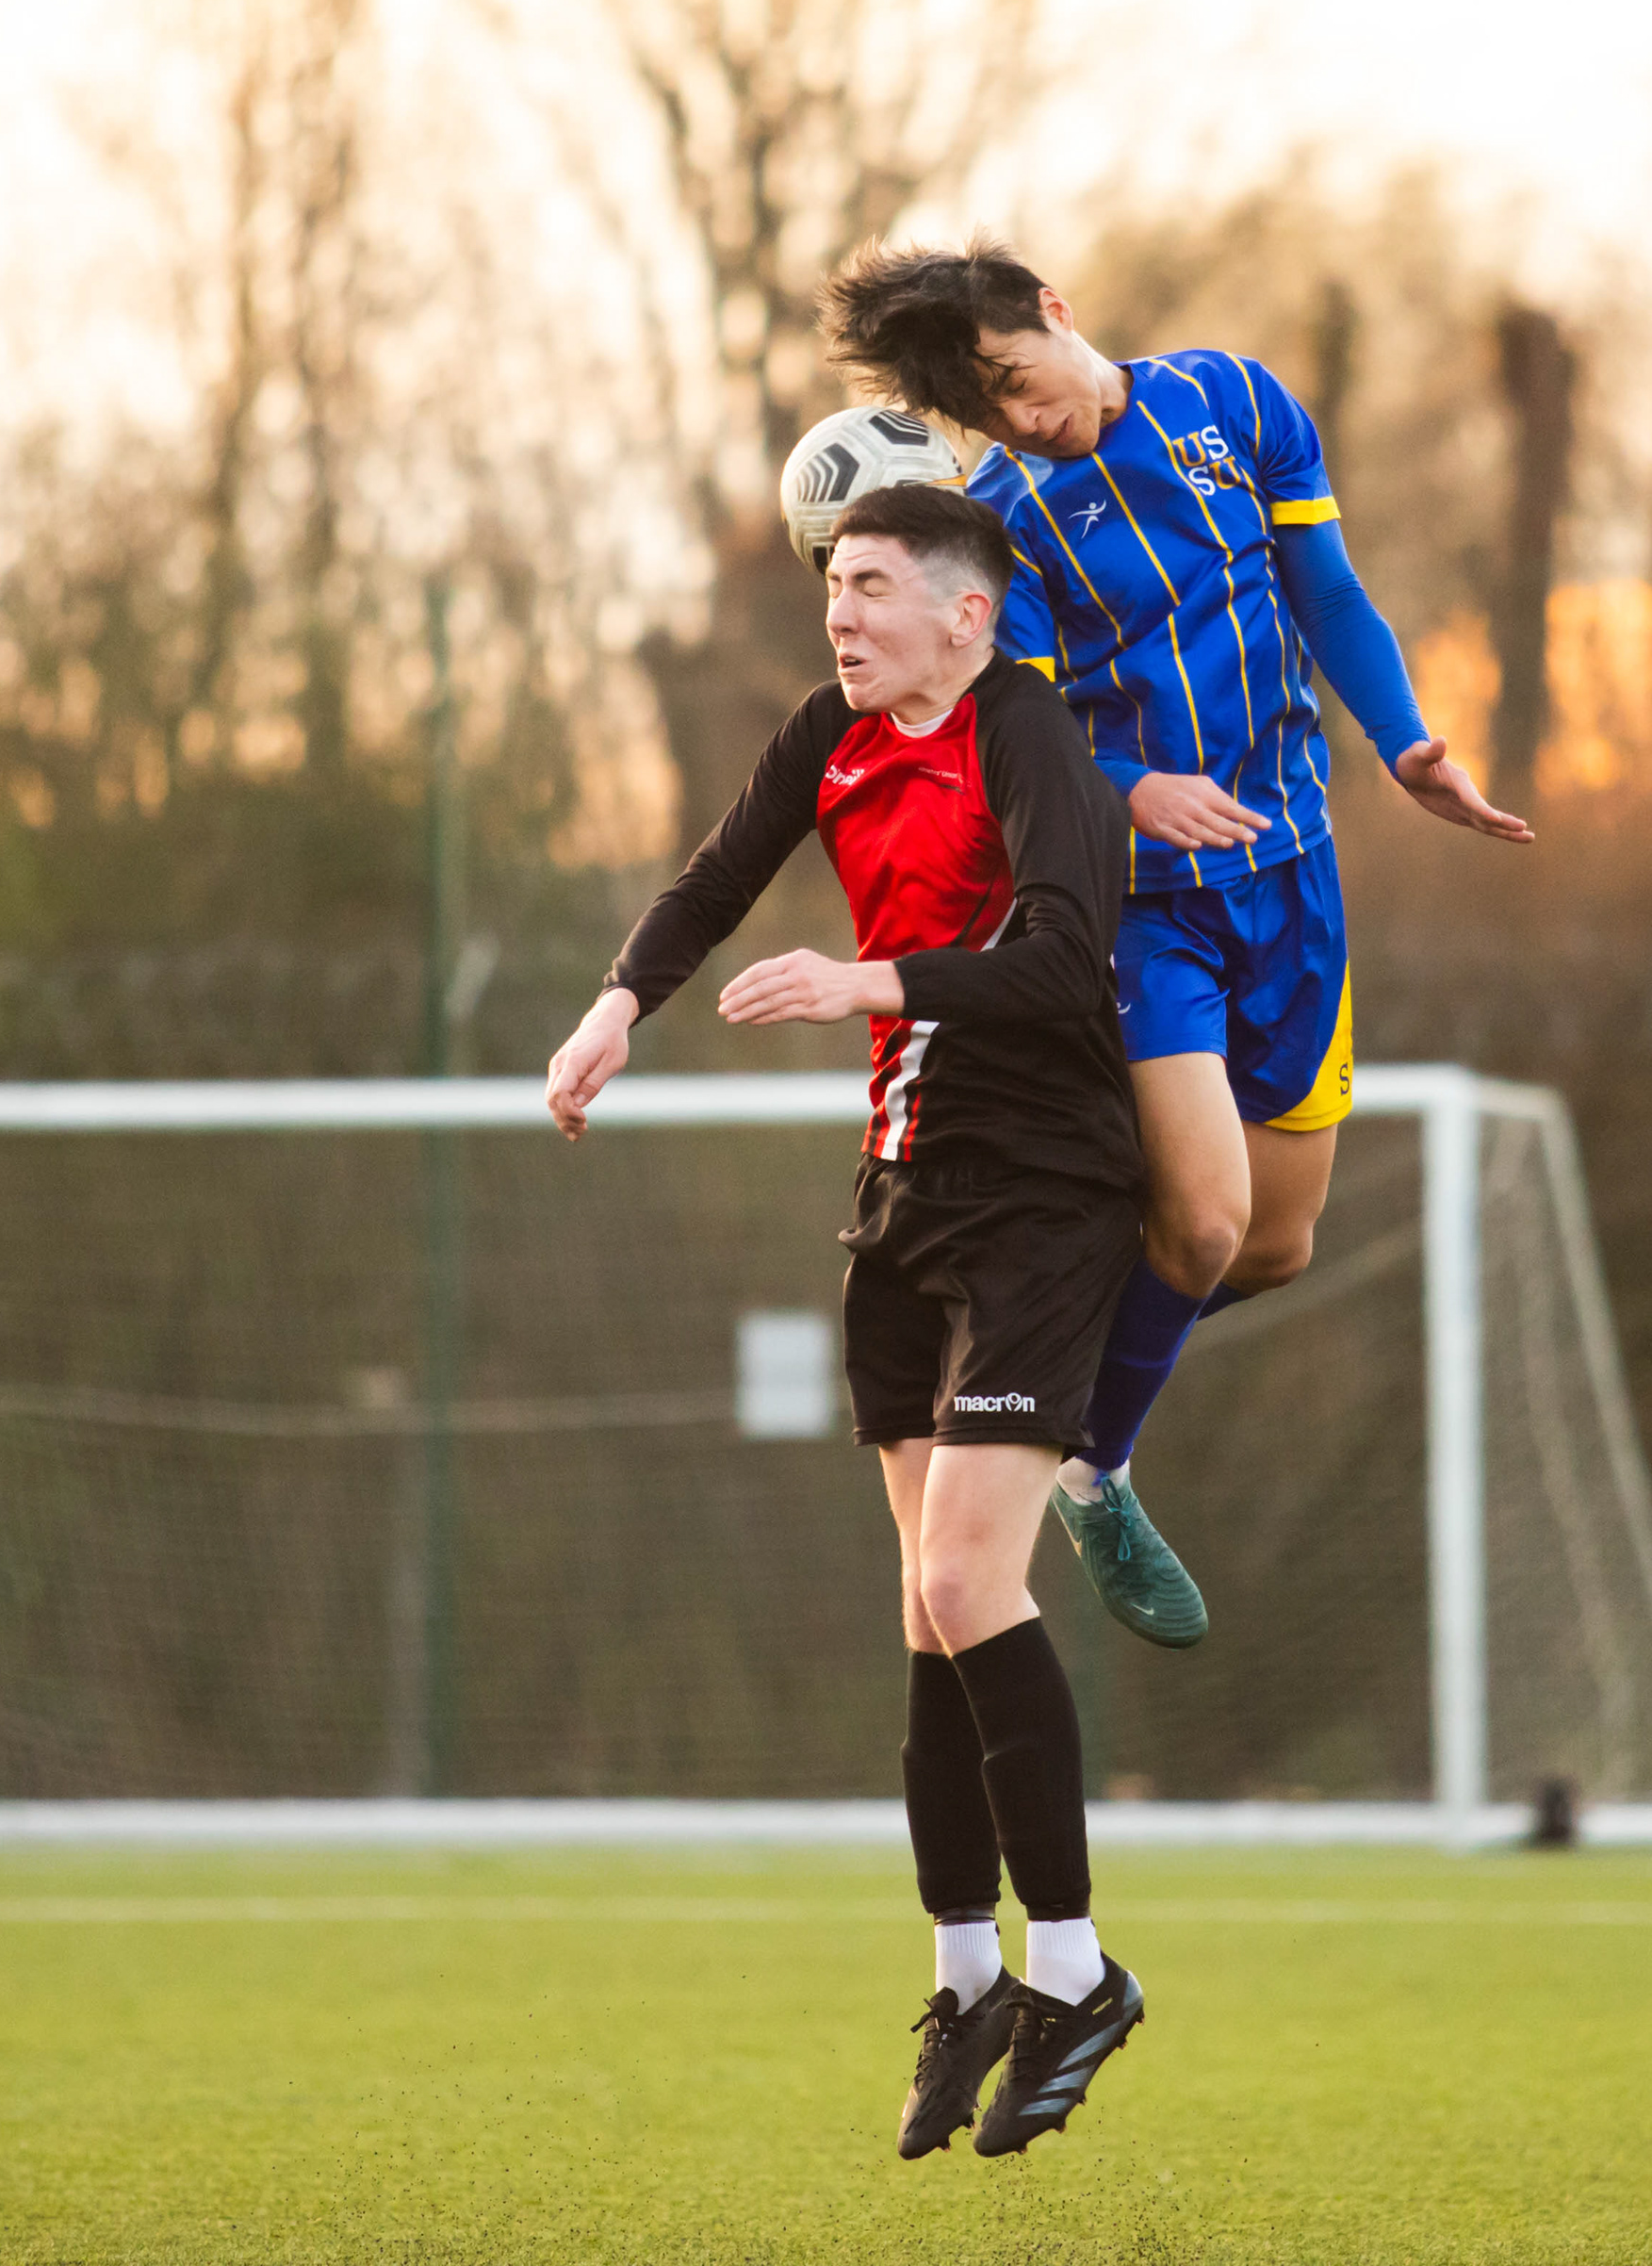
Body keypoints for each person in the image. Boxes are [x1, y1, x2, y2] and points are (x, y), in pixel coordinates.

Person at [546, 482, 1146, 2159]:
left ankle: (1080, 1972)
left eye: (872, 585)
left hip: (1042, 1188)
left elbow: (1063, 954)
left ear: (967, 613)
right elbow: (717, 873)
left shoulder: (1023, 732)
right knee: (928, 1610)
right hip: (903, 1195)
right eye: (834, 587)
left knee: (969, 1579)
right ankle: (966, 1978)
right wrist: (615, 1011)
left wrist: (864, 981)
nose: (842, 614)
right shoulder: (832, 731)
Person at [818, 238, 1532, 1646]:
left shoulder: (1241, 404)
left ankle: (1063, 1410)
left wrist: (1406, 744)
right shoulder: (1001, 528)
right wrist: (1130, 789)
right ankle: (1087, 1459)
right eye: (991, 412)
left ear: (1059, 317)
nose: (1023, 420)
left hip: (1297, 885)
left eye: (1022, 381)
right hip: (1143, 912)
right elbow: (1004, 741)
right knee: (1198, 1218)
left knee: (1272, 1245)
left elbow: (1327, 590)